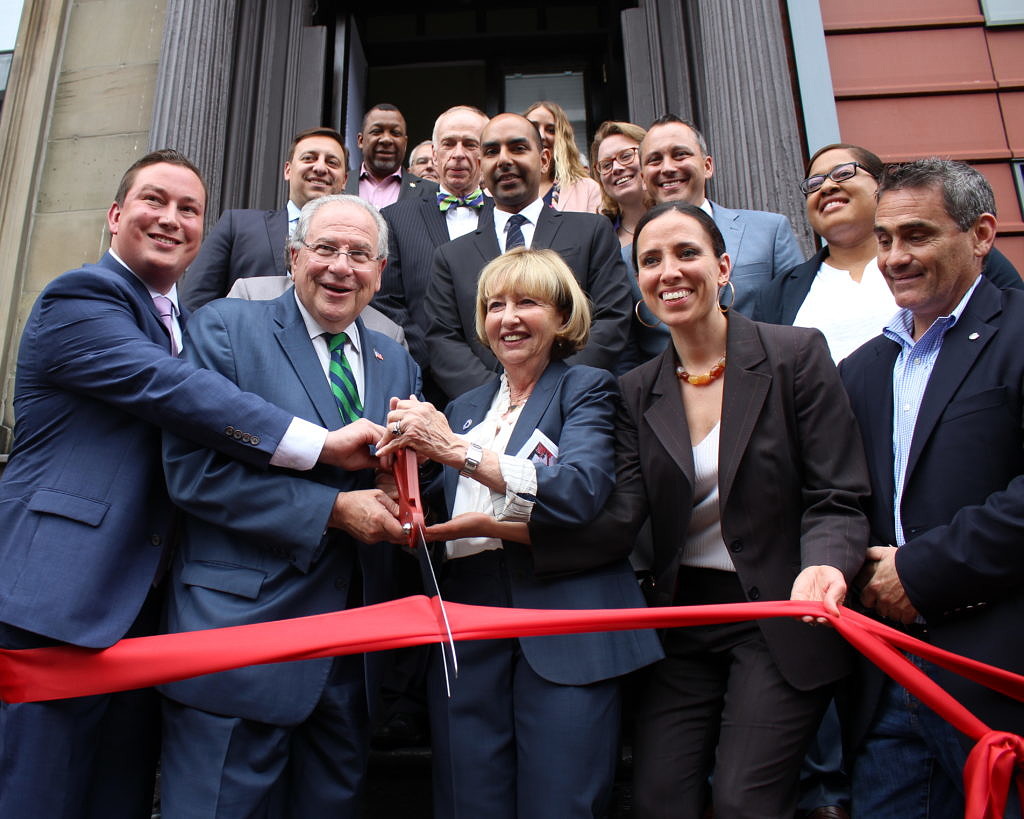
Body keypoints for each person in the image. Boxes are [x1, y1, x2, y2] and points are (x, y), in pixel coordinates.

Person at [0, 152, 391, 819]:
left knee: (113, 797)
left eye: (189, 210)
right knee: (36, 795)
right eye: (154, 201)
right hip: (58, 598)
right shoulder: (82, 298)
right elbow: (177, 392)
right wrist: (319, 444)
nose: (171, 219)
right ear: (116, 215)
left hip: (144, 609)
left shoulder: (179, 322)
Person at [533, 202, 871, 818]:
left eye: (686, 253)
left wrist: (826, 565)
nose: (669, 272)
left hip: (777, 612)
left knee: (744, 802)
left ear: (722, 266)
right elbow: (622, 516)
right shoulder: (634, 390)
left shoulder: (794, 354)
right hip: (681, 620)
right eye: (650, 260)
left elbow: (837, 495)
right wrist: (502, 535)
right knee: (660, 802)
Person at [158, 194, 420, 817]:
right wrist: (333, 512)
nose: (341, 267)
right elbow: (191, 472)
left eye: (360, 254)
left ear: (380, 273)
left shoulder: (399, 363)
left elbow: (393, 484)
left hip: (353, 657)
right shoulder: (224, 327)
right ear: (294, 256)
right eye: (326, 249)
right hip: (241, 639)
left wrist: (405, 494)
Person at [378, 247, 662, 819]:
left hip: (564, 621)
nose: (507, 318)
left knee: (561, 803)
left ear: (562, 317)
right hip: (466, 623)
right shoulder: (461, 407)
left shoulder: (587, 388)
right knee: (467, 800)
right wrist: (399, 485)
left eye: (527, 302)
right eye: (494, 305)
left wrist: (457, 451)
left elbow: (580, 488)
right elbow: (439, 509)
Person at [840, 158, 1024, 819]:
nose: (895, 256)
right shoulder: (862, 368)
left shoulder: (1019, 334)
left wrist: (922, 567)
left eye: (917, 235)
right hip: (887, 681)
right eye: (884, 238)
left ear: (980, 234)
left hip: (997, 676)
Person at [425, 112, 632, 401]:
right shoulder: (450, 257)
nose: (504, 159)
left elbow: (612, 318)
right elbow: (443, 340)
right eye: (492, 151)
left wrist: (553, 391)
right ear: (482, 167)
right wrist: (500, 399)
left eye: (518, 148)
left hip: (575, 405)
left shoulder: (590, 232)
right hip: (486, 416)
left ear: (544, 160)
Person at [755, 143, 1023, 361]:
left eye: (843, 173)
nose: (826, 187)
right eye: (814, 184)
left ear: (882, 185)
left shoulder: (957, 252)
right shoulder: (778, 294)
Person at [639, 114, 804, 315]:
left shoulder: (770, 231)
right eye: (655, 160)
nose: (668, 168)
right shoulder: (626, 258)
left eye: (680, 154)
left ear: (707, 166)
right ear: (642, 179)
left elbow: (800, 313)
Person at [374, 106, 490, 379]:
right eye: (449, 144)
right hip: (424, 377)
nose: (458, 154)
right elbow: (386, 301)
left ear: (486, 155)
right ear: (435, 155)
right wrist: (434, 356)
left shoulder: (508, 216)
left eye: (470, 144)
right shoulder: (395, 218)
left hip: (498, 375)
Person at [181, 126, 349, 309]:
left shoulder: (358, 246)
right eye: (309, 158)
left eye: (332, 162)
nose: (320, 167)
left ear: (345, 180)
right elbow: (194, 306)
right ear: (288, 170)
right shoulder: (237, 226)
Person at [524, 100, 603, 214]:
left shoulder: (587, 189)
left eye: (551, 130)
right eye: (533, 127)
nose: (541, 135)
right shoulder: (502, 188)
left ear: (563, 139)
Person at [344, 103, 426, 208]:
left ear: (405, 143)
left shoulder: (431, 192)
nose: (386, 139)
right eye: (377, 131)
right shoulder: (338, 184)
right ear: (361, 140)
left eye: (395, 133)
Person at [590, 120, 649, 249]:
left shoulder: (680, 216)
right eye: (606, 165)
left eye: (626, 156)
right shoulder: (598, 240)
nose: (616, 168)